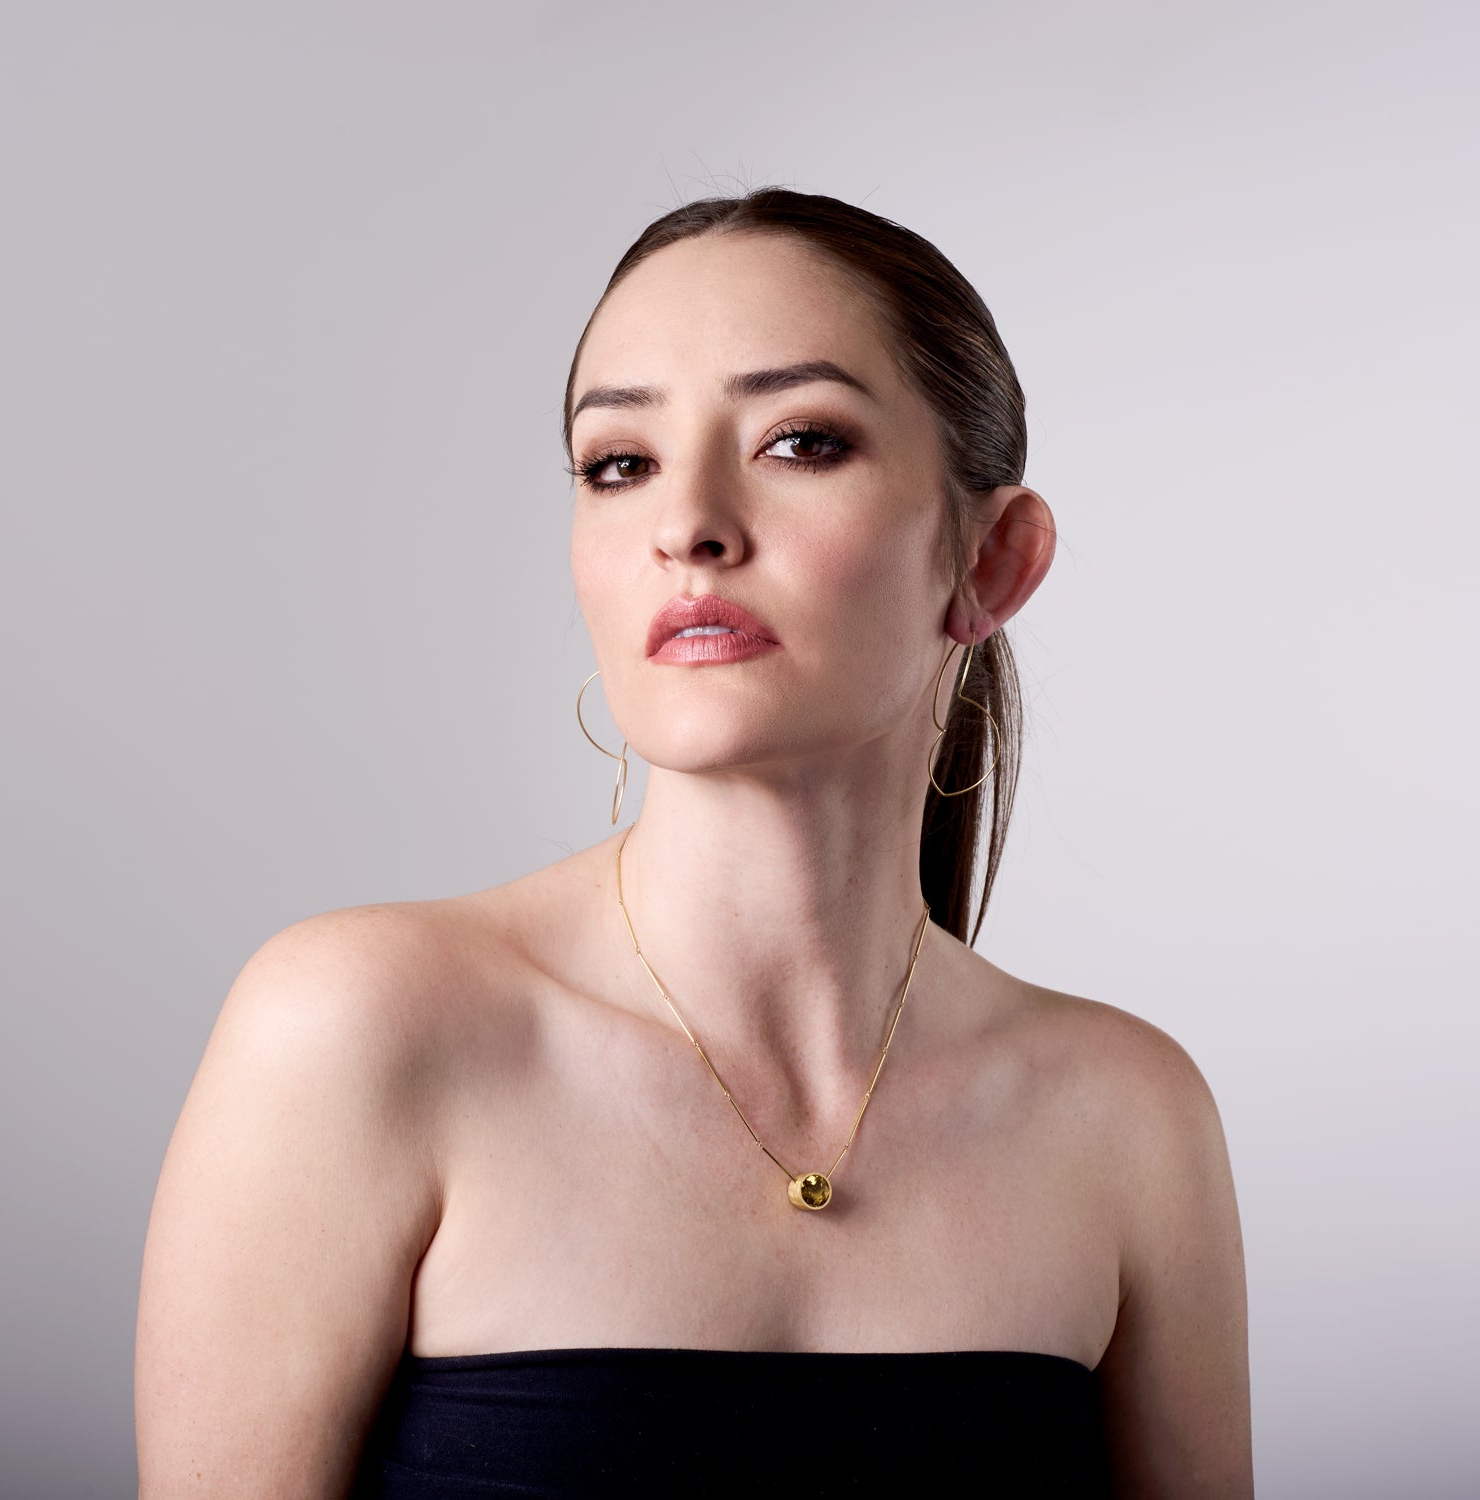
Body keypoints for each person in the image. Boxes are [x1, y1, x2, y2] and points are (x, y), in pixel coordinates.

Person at [134, 186, 1252, 1497]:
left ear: (992, 560)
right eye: (621, 464)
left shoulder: (1128, 1116)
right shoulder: (356, 1030)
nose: (688, 525)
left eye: (801, 442)